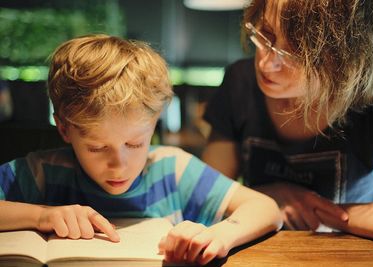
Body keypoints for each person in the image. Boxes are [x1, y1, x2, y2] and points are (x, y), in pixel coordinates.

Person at [0, 34, 282, 265]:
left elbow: (267, 209)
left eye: (134, 144)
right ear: (64, 129)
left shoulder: (173, 170)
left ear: (154, 125)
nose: (119, 165)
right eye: (97, 147)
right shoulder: (43, 172)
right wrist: (41, 215)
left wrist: (220, 235)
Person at [202, 0, 373, 243]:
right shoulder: (239, 82)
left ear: (353, 59)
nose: (267, 63)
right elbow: (205, 197)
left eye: (297, 52)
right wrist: (267, 200)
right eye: (265, 35)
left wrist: (326, 215)